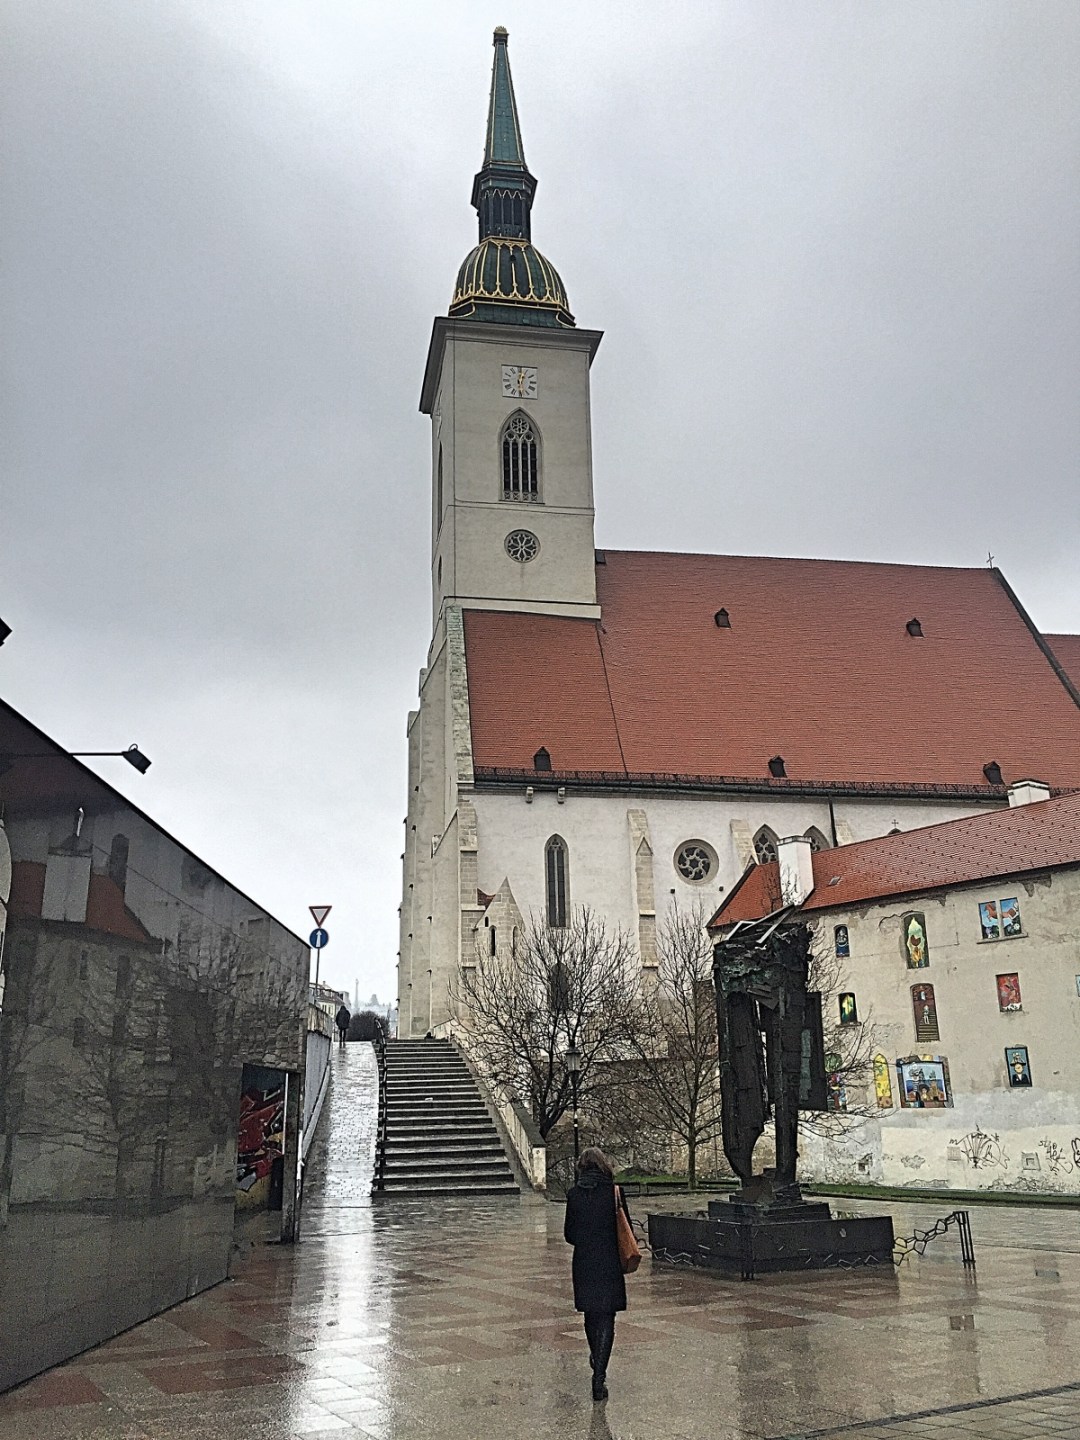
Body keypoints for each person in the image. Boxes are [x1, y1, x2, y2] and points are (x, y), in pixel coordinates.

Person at [563, 1147, 631, 1402]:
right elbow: (626, 1230)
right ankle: (599, 1375)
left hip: (584, 1263)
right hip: (609, 1261)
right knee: (608, 1318)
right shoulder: (614, 1194)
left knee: (591, 1315)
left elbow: (569, 1235)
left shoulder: (574, 1195)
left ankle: (596, 1357)